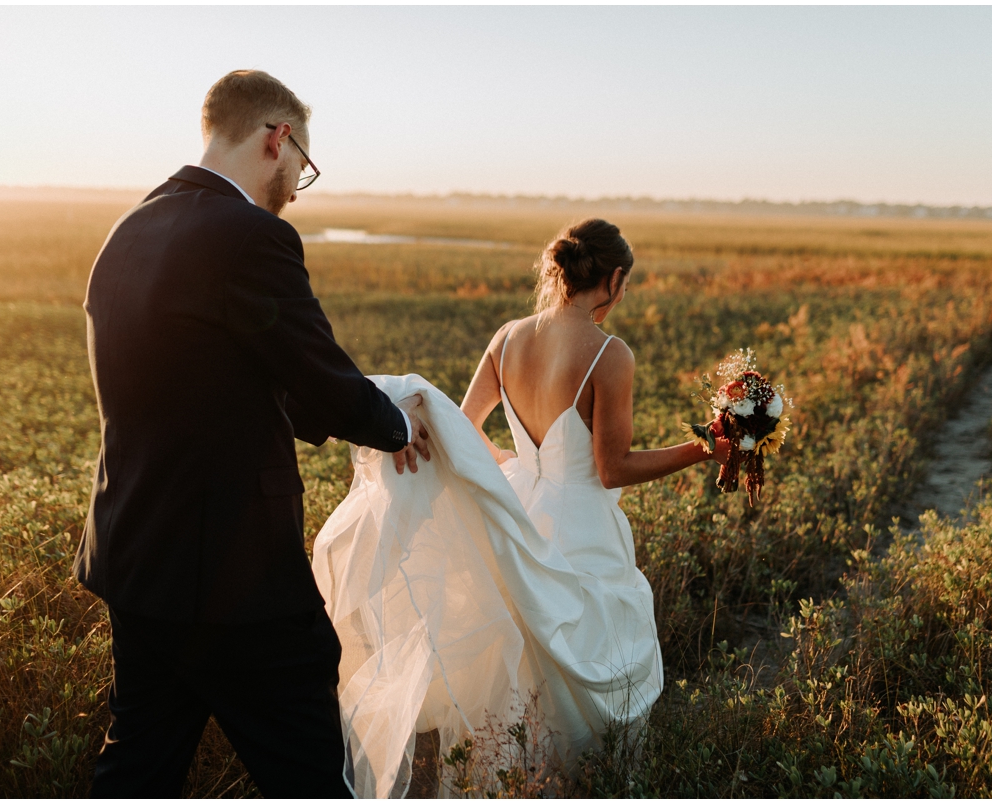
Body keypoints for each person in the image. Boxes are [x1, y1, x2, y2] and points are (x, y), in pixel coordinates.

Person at [75, 69, 430, 797]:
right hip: (234, 573)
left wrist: (325, 411)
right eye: (305, 164)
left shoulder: (130, 228)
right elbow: (315, 372)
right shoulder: (249, 235)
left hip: (137, 559)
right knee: (310, 775)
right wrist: (397, 426)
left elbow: (219, 366)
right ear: (278, 138)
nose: (299, 184)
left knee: (137, 766)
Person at [312, 218, 729, 796]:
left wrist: (515, 464)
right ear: (612, 280)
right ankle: (584, 781)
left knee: (527, 649)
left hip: (523, 510)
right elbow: (614, 469)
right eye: (625, 284)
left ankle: (520, 777)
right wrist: (701, 448)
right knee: (586, 649)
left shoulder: (507, 337)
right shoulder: (611, 355)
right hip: (584, 526)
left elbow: (464, 429)